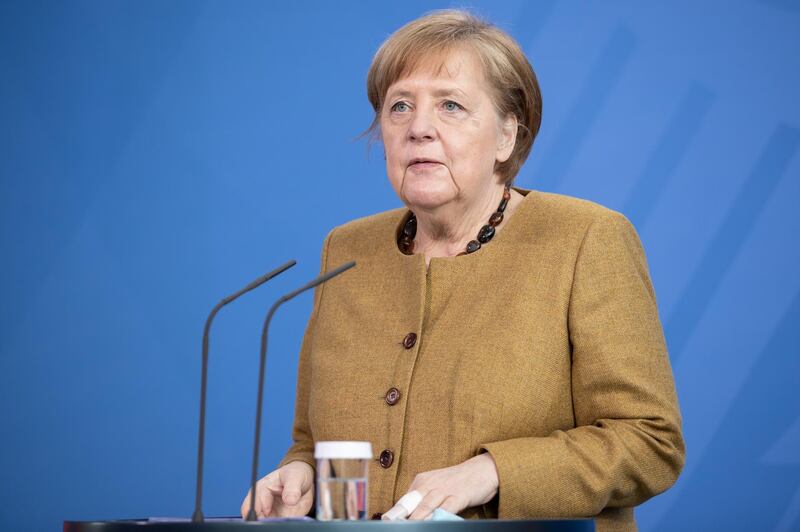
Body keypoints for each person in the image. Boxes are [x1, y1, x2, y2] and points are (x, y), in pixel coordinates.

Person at [241, 9, 684, 531]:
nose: (418, 129)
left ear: (506, 137)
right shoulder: (347, 249)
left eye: (451, 105)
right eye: (399, 106)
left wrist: (492, 471)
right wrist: (298, 473)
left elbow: (650, 441)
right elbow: (311, 440)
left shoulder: (585, 239)